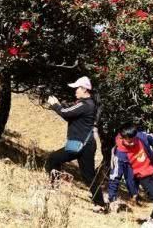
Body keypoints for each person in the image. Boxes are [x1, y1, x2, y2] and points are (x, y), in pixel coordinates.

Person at [46, 76, 106, 211]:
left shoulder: (84, 104)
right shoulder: (88, 103)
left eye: (77, 88)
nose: (75, 91)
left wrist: (55, 104)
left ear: (84, 89)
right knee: (88, 176)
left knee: (53, 158)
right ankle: (100, 204)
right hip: (87, 145)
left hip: (80, 145)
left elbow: (65, 113)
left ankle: (53, 187)